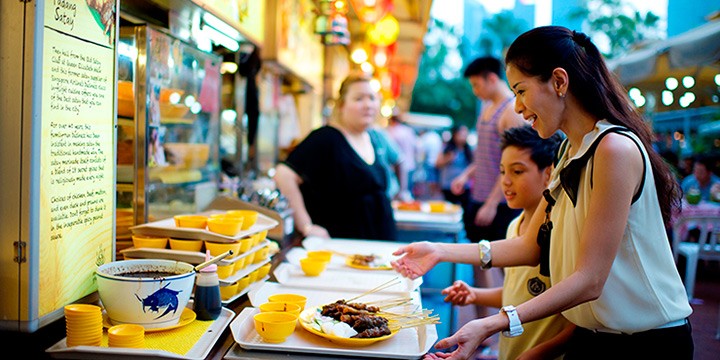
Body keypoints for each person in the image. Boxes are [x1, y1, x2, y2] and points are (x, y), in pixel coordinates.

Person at [392, 26, 693, 360]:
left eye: (521, 91)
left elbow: (590, 280)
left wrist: (494, 323)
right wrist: (438, 250)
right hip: (595, 337)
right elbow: (530, 247)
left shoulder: (614, 149)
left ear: (559, 82)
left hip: (646, 343)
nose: (518, 108)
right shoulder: (568, 151)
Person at [439, 125, 571, 360]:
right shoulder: (514, 226)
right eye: (502, 172)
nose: (506, 182)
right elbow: (519, 292)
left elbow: (578, 314)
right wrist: (475, 294)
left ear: (549, 174)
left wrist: (539, 352)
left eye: (517, 171)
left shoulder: (560, 234)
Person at [274, 74, 397, 240]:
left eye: (372, 98)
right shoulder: (326, 138)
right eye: (359, 99)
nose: (368, 105)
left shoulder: (374, 138)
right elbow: (283, 175)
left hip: (377, 244)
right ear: (341, 105)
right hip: (341, 246)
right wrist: (305, 225)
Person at [451, 56, 527, 321]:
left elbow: (510, 166)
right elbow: (486, 155)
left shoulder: (511, 113)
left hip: (501, 203)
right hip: (478, 197)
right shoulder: (486, 108)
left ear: (492, 78)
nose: (475, 91)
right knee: (478, 263)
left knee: (508, 267)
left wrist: (493, 203)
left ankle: (504, 325)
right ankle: (481, 322)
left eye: (476, 84)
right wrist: (465, 173)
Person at [436, 125, 473, 208]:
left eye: (465, 134)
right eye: (461, 134)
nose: (463, 137)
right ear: (455, 134)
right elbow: (437, 164)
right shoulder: (446, 148)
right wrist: (448, 159)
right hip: (448, 185)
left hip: (464, 185)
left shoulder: (468, 150)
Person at [387, 109, 419, 201]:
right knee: (407, 192)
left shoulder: (391, 132)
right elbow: (417, 148)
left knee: (397, 193)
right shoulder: (408, 131)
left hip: (396, 168)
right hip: (410, 165)